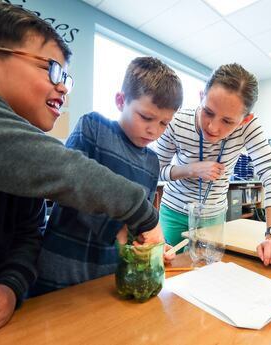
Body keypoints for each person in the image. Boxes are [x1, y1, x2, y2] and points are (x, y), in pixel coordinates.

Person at [0, 1, 162, 334]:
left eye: (66, 77)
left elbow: (28, 232)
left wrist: (9, 285)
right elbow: (62, 168)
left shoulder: (20, 162)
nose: (64, 87)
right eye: (52, 69)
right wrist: (143, 214)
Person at [31, 56, 183, 295]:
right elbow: (68, 189)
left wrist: (152, 245)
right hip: (63, 265)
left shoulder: (152, 162)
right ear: (121, 101)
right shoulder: (94, 128)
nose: (154, 130)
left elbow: (139, 222)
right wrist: (118, 230)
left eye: (164, 123)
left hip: (110, 273)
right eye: (146, 117)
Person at [154, 63, 271, 266]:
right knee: (171, 272)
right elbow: (153, 171)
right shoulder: (177, 123)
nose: (213, 127)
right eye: (208, 111)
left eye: (227, 121)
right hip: (174, 213)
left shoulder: (249, 127)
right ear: (201, 96)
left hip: (214, 217)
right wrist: (190, 169)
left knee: (209, 271)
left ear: (244, 120)